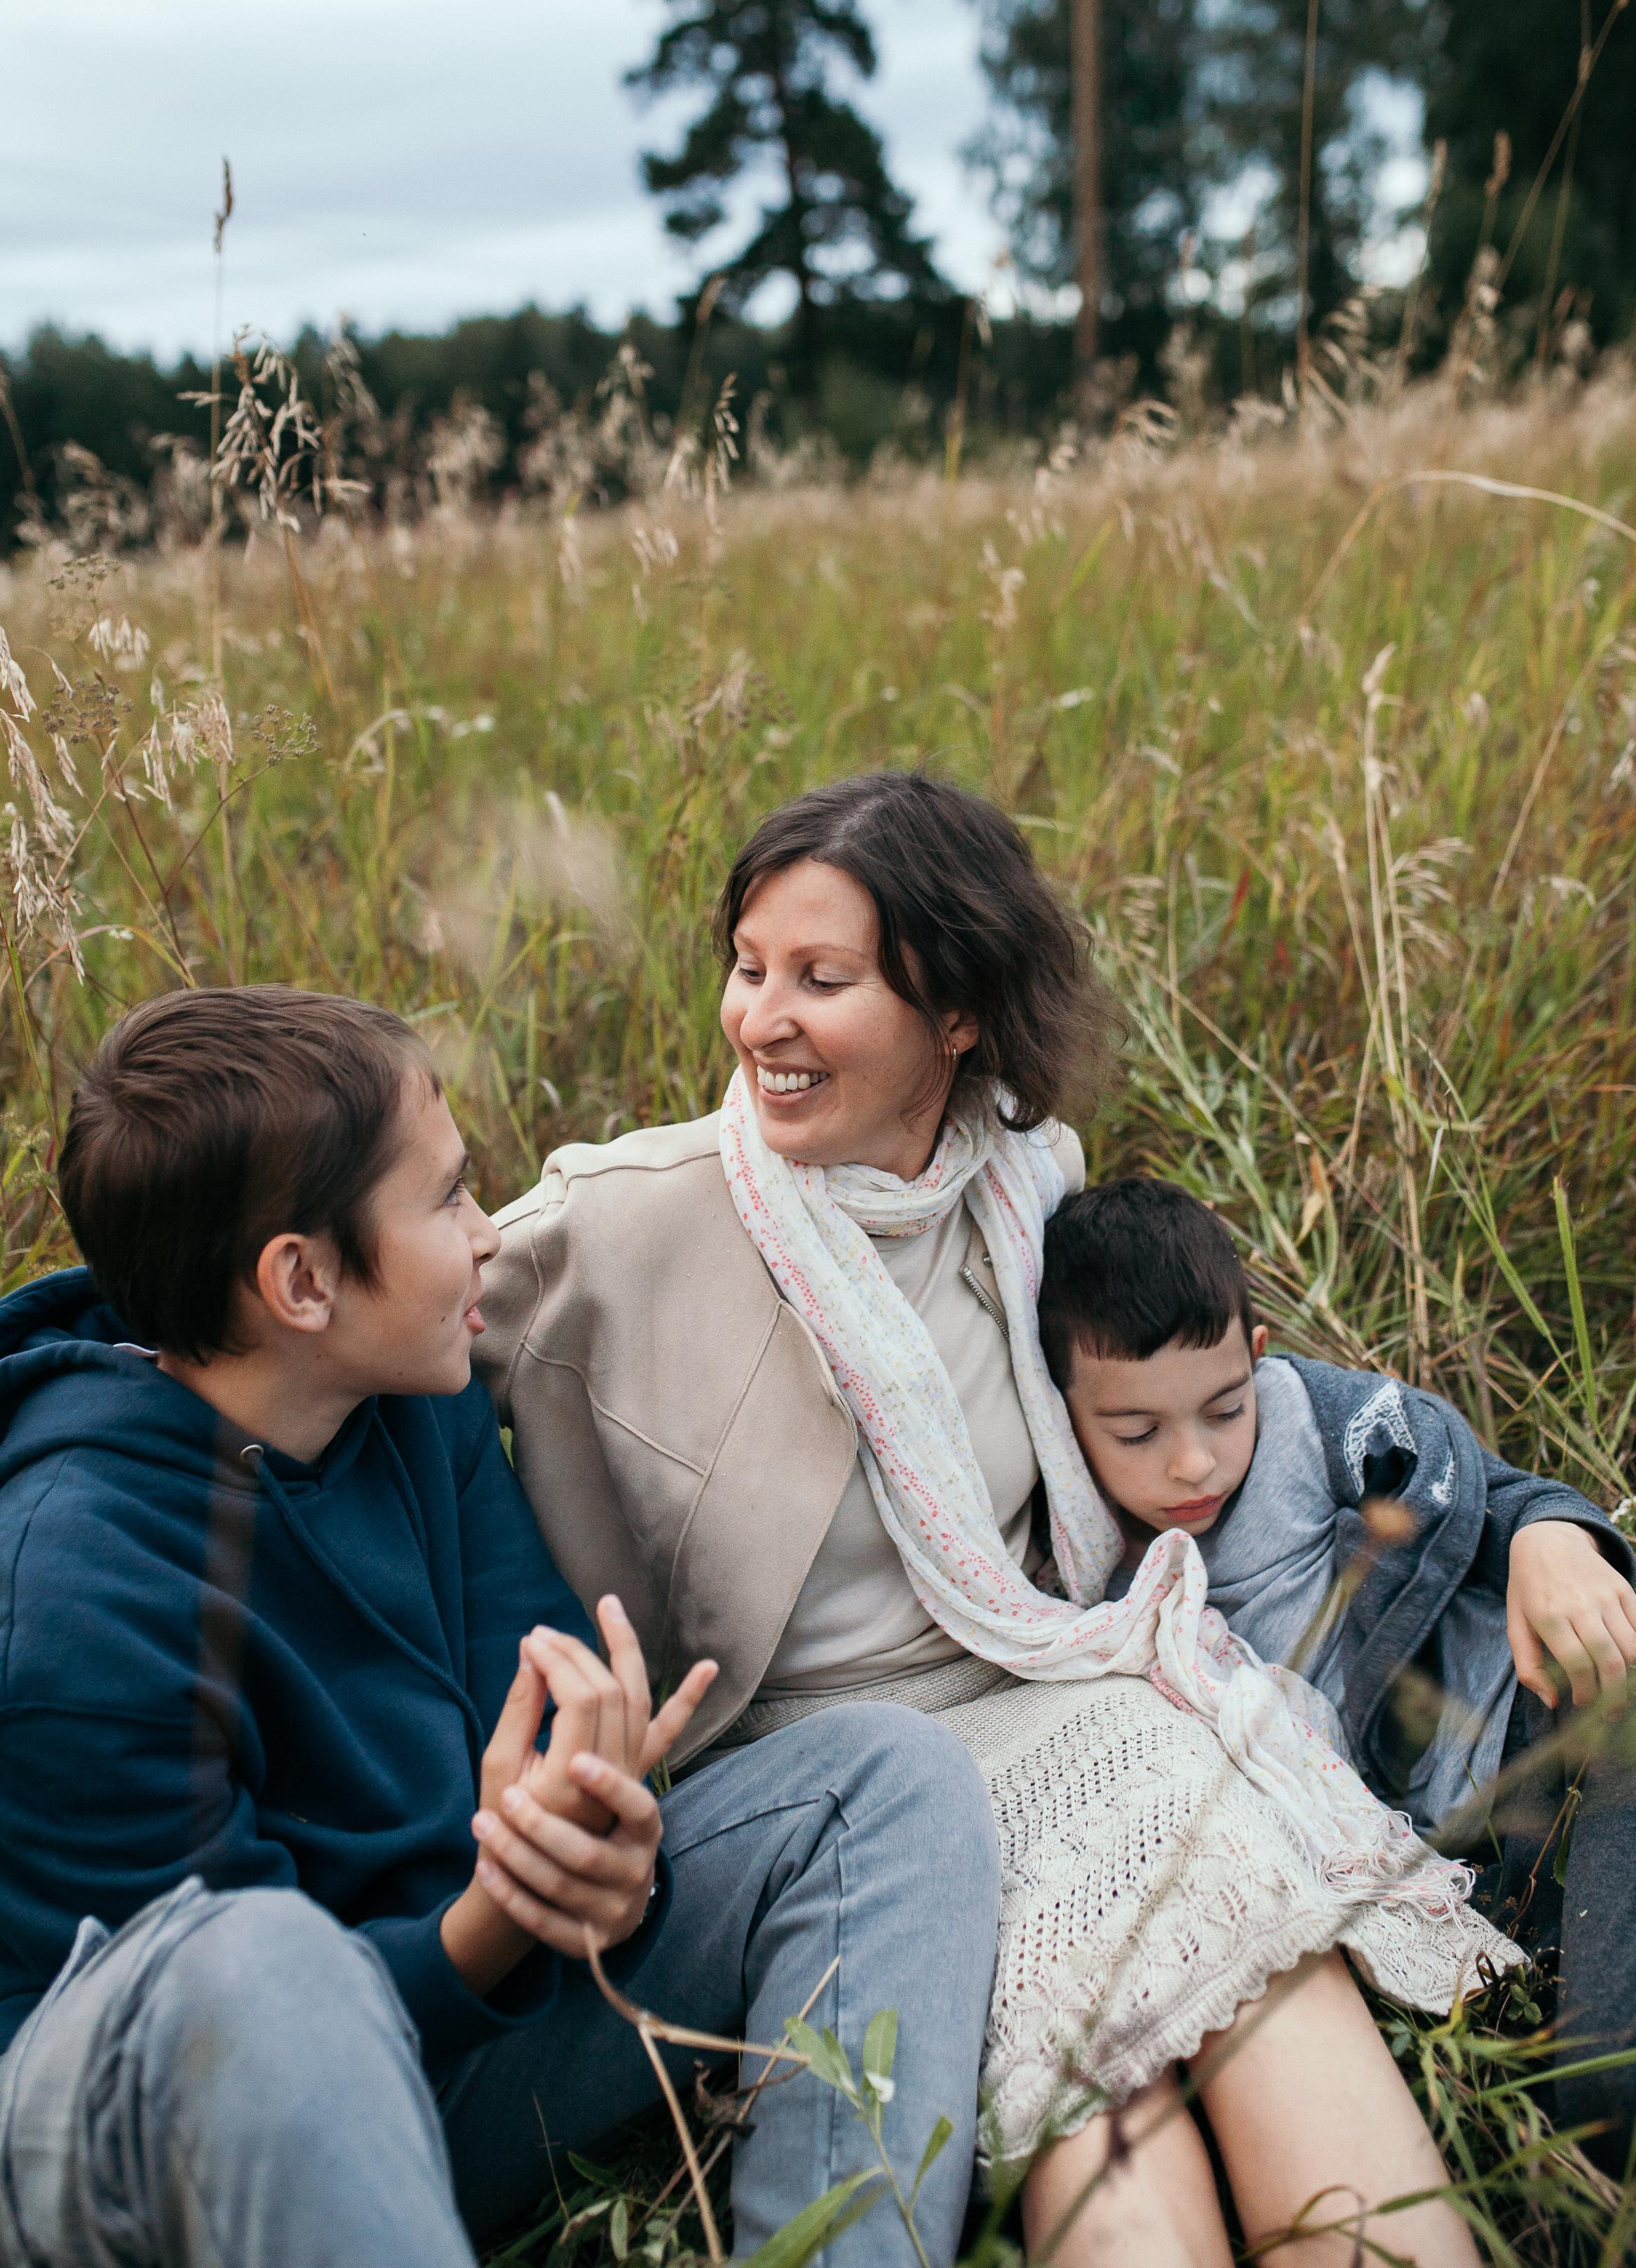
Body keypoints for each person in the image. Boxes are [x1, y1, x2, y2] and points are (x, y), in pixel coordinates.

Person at [478, 768, 1517, 2268]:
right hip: (820, 1774)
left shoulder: (1026, 1182)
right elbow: (363, 1316)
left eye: (821, 979)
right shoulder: (629, 1217)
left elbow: (1214, 1375)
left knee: (1251, 1952)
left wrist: (1535, 1512)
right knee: (1100, 2072)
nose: (760, 1015)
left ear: (956, 1015)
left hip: (1052, 1676)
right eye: (749, 967)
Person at [0, 985, 1001, 2268]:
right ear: (300, 1280)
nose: (487, 1236)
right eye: (445, 1199)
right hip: (184, 2164)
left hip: (461, 2020)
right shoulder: (73, 1602)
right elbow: (226, 2057)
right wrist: (502, 1917)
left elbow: (533, 1703)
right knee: (263, 1964)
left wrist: (602, 1840)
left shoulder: (405, 1394)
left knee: (882, 1781)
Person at [1039, 1172, 1636, 2172]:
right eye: (1136, 1432)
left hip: (1552, 1702)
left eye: (1220, 1408)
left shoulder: (1304, 1422)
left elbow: (1472, 1491)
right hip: (1468, 1843)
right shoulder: (1084, 1571)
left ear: (1255, 1359)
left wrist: (1550, 1535)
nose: (1192, 1463)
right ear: (1059, 1415)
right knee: (1599, 2082)